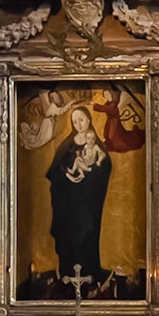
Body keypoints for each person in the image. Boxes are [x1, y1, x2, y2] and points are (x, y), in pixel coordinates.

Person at [46, 105, 111, 282]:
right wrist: (68, 175)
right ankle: (67, 274)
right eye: (75, 121)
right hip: (68, 201)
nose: (78, 124)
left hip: (88, 200)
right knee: (67, 234)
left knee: (88, 230)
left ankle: (90, 274)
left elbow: (104, 167)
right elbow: (55, 169)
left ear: (88, 120)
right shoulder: (68, 144)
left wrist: (87, 178)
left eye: (81, 119)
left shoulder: (96, 144)